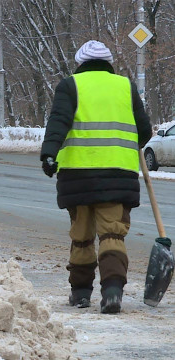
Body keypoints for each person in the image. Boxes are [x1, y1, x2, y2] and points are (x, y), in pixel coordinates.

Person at [40, 40, 152, 314]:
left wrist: (49, 154)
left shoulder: (70, 85)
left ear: (81, 63)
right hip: (118, 174)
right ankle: (112, 292)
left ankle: (80, 294)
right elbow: (144, 131)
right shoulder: (126, 86)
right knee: (112, 234)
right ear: (108, 63)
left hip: (77, 175)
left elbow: (59, 121)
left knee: (82, 236)